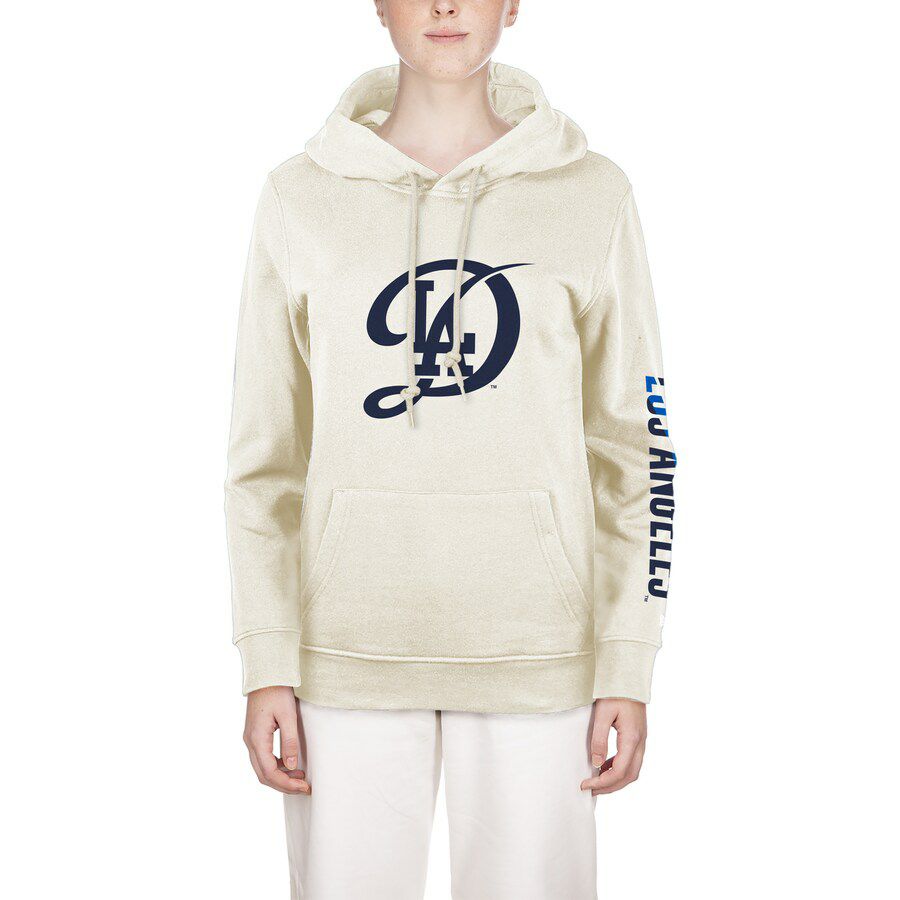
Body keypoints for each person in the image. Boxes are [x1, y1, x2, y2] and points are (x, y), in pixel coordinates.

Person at [225, 1, 676, 897]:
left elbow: (640, 449)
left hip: (538, 656)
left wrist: (628, 658)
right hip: (344, 657)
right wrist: (266, 658)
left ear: (512, 5)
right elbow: (262, 462)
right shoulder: (300, 195)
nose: (444, 5)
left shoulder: (592, 194)